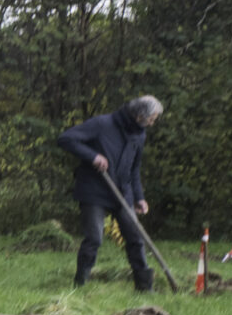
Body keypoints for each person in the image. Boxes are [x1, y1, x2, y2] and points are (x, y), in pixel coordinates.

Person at [57, 96, 163, 290]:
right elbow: (66, 139)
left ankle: (144, 287)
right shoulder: (102, 124)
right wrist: (93, 156)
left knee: (135, 237)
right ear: (139, 115)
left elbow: (134, 168)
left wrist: (139, 197)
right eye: (151, 119)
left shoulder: (140, 134)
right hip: (94, 191)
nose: (152, 123)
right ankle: (81, 284)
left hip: (123, 193)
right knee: (94, 238)